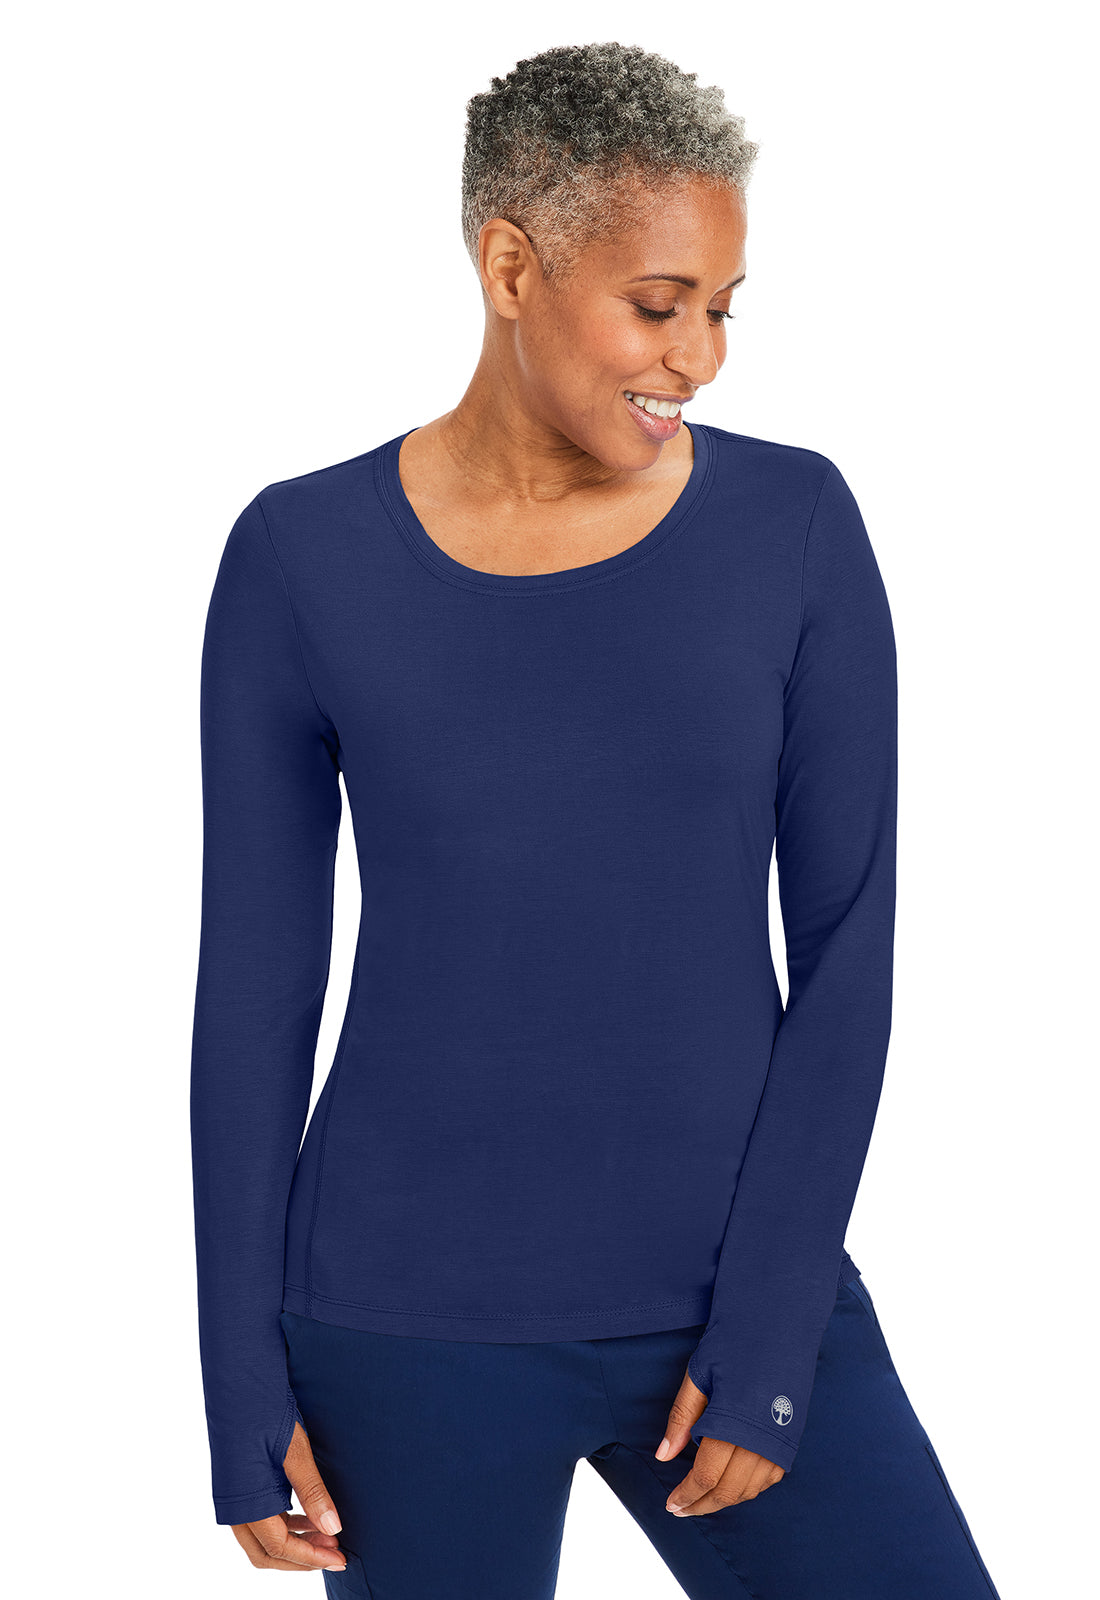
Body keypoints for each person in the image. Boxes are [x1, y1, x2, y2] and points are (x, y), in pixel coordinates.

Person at [190, 39, 1004, 1600]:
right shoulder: (301, 556)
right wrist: (239, 1378)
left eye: (724, 309)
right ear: (513, 266)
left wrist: (774, 1332)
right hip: (397, 1325)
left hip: (728, 1301)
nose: (700, 357)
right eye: (658, 304)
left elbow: (849, 952)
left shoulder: (794, 527)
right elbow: (254, 991)